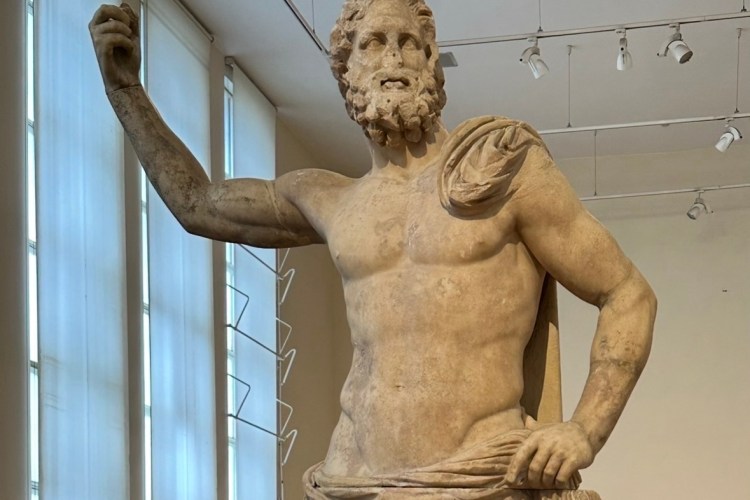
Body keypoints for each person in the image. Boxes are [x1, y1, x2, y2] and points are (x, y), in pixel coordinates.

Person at [90, 1, 656, 498]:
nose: (394, 57)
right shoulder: (329, 199)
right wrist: (126, 92)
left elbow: (627, 293)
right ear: (346, 72)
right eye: (373, 44)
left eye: (409, 43)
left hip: (481, 476)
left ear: (432, 64)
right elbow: (199, 204)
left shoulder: (499, 170)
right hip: (351, 480)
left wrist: (584, 430)